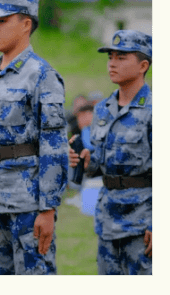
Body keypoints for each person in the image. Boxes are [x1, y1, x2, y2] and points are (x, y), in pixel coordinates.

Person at [0, 0, 68, 275]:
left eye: (3, 21)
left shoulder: (42, 75)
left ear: (26, 25)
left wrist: (48, 208)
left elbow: (53, 145)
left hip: (27, 201)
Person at [69, 29, 152, 275]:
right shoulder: (103, 109)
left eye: (121, 58)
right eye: (110, 57)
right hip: (108, 219)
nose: (112, 64)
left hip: (142, 222)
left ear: (143, 65)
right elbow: (100, 164)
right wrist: (85, 161)